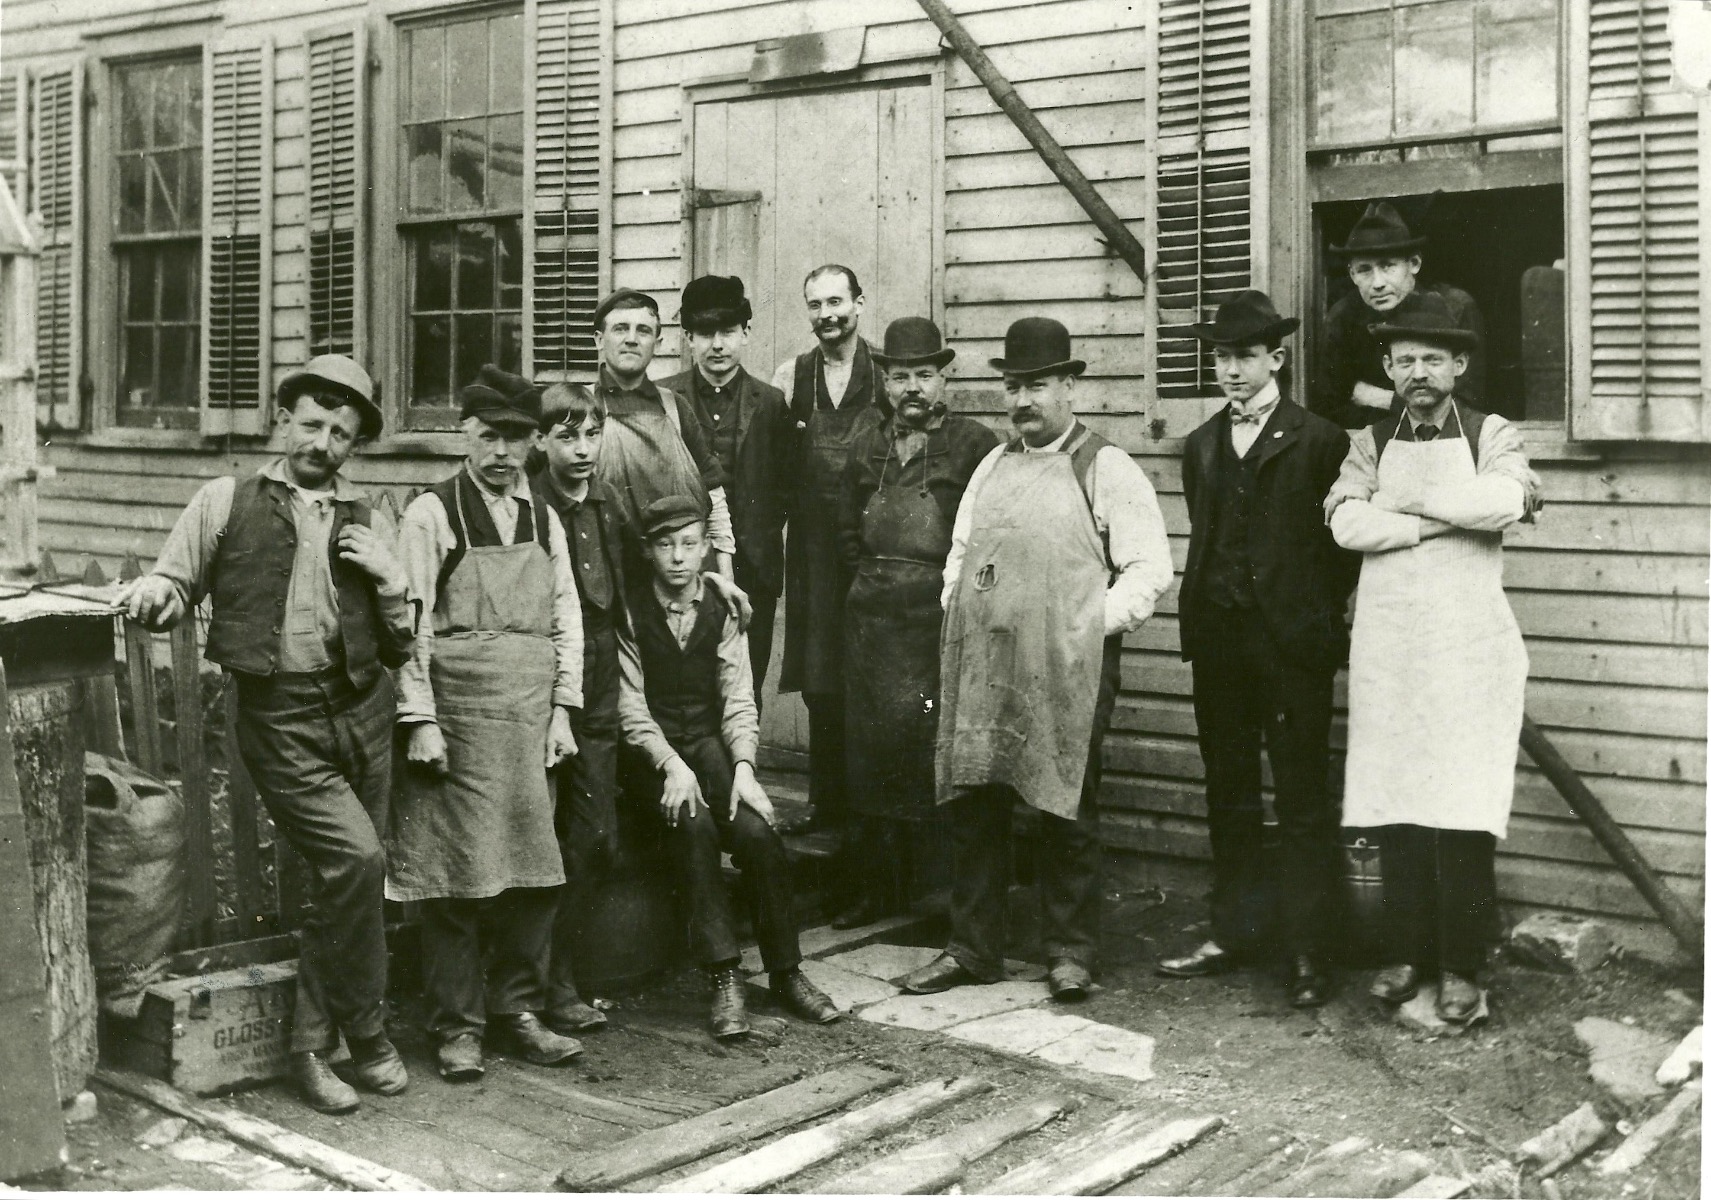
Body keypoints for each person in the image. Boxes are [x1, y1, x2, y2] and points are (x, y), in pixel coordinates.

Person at [115, 356, 413, 1114]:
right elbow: (175, 583)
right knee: (357, 858)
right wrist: (158, 590)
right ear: (284, 420)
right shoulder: (226, 499)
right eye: (311, 424)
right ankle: (322, 1045)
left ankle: (364, 1034)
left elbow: (402, 644)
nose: (323, 442)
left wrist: (392, 581)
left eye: (341, 433)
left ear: (355, 445)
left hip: (362, 709)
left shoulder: (369, 516)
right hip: (279, 717)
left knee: (351, 880)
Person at [901, 318, 1173, 1002]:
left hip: (1068, 665)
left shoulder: (1104, 467)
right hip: (986, 663)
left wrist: (1081, 628)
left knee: (1064, 804)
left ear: (1069, 386)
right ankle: (973, 947)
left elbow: (1149, 570)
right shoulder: (993, 465)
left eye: (1038, 385)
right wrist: (957, 607)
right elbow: (961, 555)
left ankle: (1070, 951)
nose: (1022, 399)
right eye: (1013, 385)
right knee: (976, 798)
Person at [1325, 293, 1539, 1024]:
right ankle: (1405, 951)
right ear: (1387, 366)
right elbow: (1346, 523)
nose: (1418, 372)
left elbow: (1504, 503)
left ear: (1458, 365)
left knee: (1462, 805)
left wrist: (1405, 514)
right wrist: (1436, 521)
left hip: (1467, 647)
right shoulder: (1367, 442)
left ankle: (1461, 965)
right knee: (1395, 804)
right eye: (1404, 359)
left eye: (1432, 359)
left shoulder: (1491, 432)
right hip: (1390, 648)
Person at [1158, 291, 1358, 1008]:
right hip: (1219, 641)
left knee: (1301, 798)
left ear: (1276, 359)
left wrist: (1306, 618)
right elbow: (1208, 536)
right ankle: (1234, 931)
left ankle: (1308, 950)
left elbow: (1339, 556)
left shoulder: (1320, 440)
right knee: (1230, 792)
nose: (1232, 371)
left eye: (1245, 356)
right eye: (1222, 357)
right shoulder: (1202, 443)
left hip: (1290, 646)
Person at [393, 365, 585, 1082]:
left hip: (531, 719)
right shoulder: (431, 515)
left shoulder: (545, 517)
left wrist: (564, 709)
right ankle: (457, 1025)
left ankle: (518, 1012)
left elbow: (566, 617)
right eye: (488, 436)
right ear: (465, 436)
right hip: (460, 718)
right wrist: (419, 718)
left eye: (516, 438)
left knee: (533, 873)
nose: (502, 452)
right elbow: (407, 624)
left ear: (534, 442)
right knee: (458, 878)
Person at [616, 496, 842, 1038]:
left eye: (689, 544)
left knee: (757, 832)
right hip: (653, 755)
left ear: (706, 549)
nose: (677, 558)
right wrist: (670, 764)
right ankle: (724, 977)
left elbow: (738, 695)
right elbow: (629, 705)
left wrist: (743, 767)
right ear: (648, 551)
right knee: (693, 827)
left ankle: (787, 973)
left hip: (710, 748)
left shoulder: (723, 608)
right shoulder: (628, 609)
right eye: (665, 546)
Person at [833, 317, 999, 929]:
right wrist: (872, 580)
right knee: (872, 756)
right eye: (900, 375)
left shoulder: (975, 445)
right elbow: (848, 528)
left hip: (937, 623)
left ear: (944, 377)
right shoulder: (864, 444)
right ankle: (878, 893)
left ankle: (939, 899)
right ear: (884, 379)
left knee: (931, 755)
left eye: (924, 375)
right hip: (872, 622)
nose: (912, 388)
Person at [769, 264, 883, 831]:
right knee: (820, 679)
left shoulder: (888, 374)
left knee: (868, 674)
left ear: (860, 303)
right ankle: (825, 803)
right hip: (813, 549)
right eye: (815, 305)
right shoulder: (793, 375)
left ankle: (867, 812)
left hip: (871, 547)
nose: (827, 315)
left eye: (837, 302)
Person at [530, 382, 628, 1037]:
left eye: (591, 433)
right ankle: (525, 984)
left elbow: (629, 594)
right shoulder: (527, 505)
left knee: (592, 836)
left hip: (596, 683)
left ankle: (559, 974)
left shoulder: (608, 503)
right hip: (533, 680)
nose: (582, 448)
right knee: (531, 835)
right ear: (540, 440)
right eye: (567, 435)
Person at [660, 275, 790, 692]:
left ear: (746, 333)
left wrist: (759, 535)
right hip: (679, 565)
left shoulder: (770, 403)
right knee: (682, 686)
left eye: (728, 332)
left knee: (745, 685)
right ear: (688, 338)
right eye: (705, 333)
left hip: (753, 570)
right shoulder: (663, 398)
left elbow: (785, 490)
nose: (717, 344)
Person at [588, 287, 744, 611]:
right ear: (599, 339)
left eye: (643, 330)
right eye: (620, 329)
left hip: (670, 583)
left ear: (657, 345)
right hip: (599, 580)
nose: (632, 339)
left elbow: (713, 495)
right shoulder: (581, 408)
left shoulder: (675, 409)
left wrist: (726, 574)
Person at [1311, 200, 1486, 430]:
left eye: (1387, 266)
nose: (1378, 283)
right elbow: (1328, 411)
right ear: (1352, 275)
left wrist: (1381, 399)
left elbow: (1466, 407)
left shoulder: (1455, 308)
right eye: (1364, 270)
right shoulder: (1343, 317)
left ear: (1414, 264)